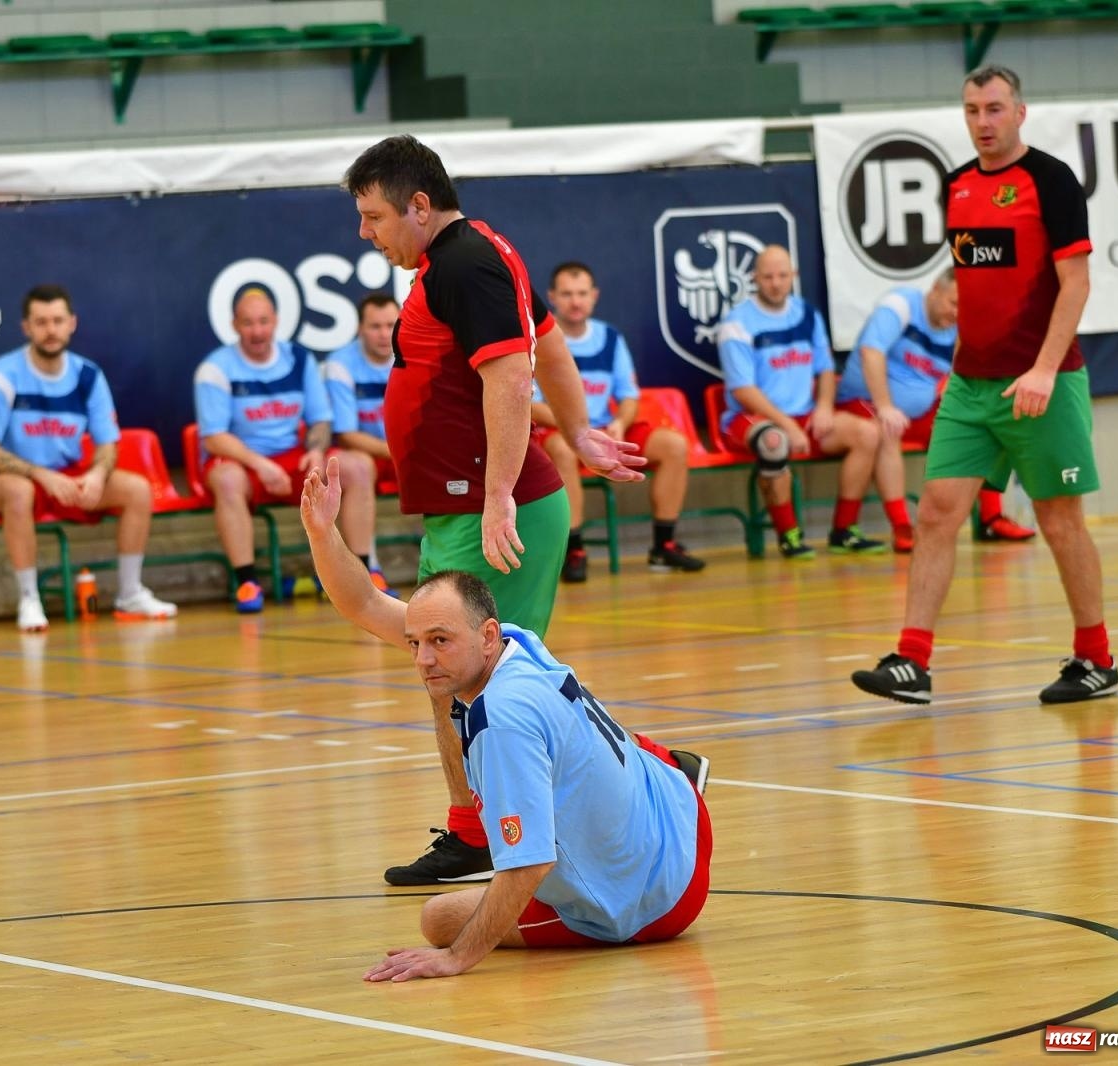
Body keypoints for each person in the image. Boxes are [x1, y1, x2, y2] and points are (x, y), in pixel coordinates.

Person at [344, 134, 646, 887]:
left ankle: (502, 830)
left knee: (464, 679)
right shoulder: (468, 255)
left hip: (488, 504)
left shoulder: (466, 264)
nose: (365, 232)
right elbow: (551, 345)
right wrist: (579, 431)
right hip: (467, 505)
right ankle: (494, 827)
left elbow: (511, 379)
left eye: (374, 216)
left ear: (418, 206)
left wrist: (498, 496)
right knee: (468, 678)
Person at [298, 457, 712, 980]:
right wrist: (322, 534)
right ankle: (667, 771)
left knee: (439, 918)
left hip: (658, 900)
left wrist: (456, 957)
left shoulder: (501, 722)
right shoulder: (515, 642)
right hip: (681, 813)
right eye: (416, 643)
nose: (423, 659)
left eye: (439, 641)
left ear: (485, 635)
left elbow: (529, 863)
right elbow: (362, 601)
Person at [852, 65, 1117, 706]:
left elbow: (1076, 283)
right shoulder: (957, 186)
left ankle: (1096, 659)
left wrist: (1043, 369)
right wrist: (959, 368)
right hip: (971, 388)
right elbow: (975, 292)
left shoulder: (1051, 180)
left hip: (1044, 382)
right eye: (972, 110)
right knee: (937, 512)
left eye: (995, 109)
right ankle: (912, 661)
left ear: (1019, 112)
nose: (983, 122)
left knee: (1059, 520)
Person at [0, 284, 177, 632]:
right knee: (20, 491)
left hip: (66, 474)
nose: (50, 330)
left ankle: (130, 593)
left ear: (72, 324)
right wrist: (41, 475)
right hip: (9, 480)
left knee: (137, 490)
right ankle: (29, 599)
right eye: (41, 322)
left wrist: (96, 475)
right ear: (26, 328)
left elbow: (108, 445)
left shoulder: (88, 375)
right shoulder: (3, 375)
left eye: (57, 321)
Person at [193, 287, 385, 613]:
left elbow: (321, 420)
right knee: (227, 479)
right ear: (234, 325)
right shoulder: (215, 368)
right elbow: (213, 438)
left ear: (276, 321)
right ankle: (246, 582)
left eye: (263, 322)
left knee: (358, 466)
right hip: (241, 460)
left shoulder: (299, 359)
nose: (257, 331)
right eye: (248, 323)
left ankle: (364, 573)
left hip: (292, 456)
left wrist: (315, 449)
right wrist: (259, 464)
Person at [837, 269, 1037, 552]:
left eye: (963, 308)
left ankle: (990, 518)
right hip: (865, 402)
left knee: (980, 429)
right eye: (953, 303)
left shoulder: (960, 327)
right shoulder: (901, 304)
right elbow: (871, 352)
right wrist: (885, 406)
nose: (957, 313)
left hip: (919, 413)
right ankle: (902, 527)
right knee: (887, 430)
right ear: (935, 290)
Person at [534, 261, 705, 582]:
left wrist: (621, 424)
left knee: (673, 445)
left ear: (594, 296)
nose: (575, 301)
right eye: (567, 294)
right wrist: (576, 428)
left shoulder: (610, 337)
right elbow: (530, 405)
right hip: (559, 430)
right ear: (552, 297)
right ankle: (574, 550)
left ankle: (664, 545)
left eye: (582, 293)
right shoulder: (539, 338)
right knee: (563, 450)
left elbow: (629, 396)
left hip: (604, 430)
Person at [717, 245, 885, 560]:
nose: (776, 283)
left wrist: (824, 407)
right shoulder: (736, 323)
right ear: (754, 278)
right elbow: (743, 391)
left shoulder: (807, 314)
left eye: (782, 276)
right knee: (773, 442)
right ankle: (789, 536)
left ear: (793, 275)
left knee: (868, 434)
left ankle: (844, 531)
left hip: (804, 414)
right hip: (750, 418)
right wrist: (787, 424)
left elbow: (825, 369)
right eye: (768, 277)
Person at [324, 293, 399, 489]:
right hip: (366, 455)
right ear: (360, 329)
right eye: (375, 326)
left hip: (402, 454)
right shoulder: (340, 364)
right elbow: (346, 436)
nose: (384, 334)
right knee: (358, 467)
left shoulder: (416, 358)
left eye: (390, 325)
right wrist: (401, 452)